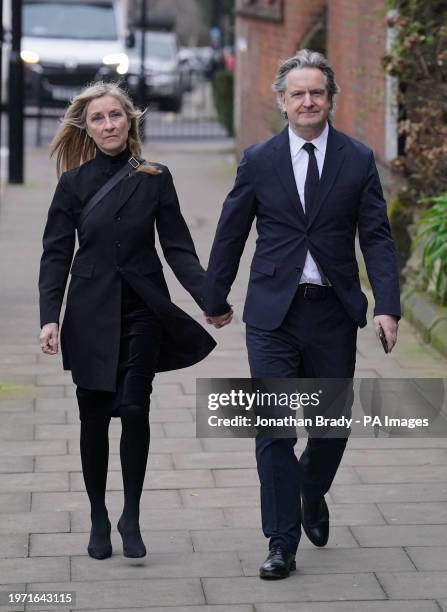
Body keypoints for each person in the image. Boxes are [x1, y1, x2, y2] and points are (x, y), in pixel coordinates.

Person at [203, 49, 400, 579]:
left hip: (333, 313)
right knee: (273, 430)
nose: (308, 101)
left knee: (330, 427)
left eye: (317, 93)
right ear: (282, 102)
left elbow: (377, 238)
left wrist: (387, 305)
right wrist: (214, 296)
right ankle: (280, 542)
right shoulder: (260, 159)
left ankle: (310, 492)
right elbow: (231, 230)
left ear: (329, 99)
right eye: (298, 94)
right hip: (273, 315)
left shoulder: (356, 159)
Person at [39, 81, 216, 560]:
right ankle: (98, 514)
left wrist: (210, 297)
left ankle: (131, 514)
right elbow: (56, 254)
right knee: (94, 418)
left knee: (135, 410)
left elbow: (178, 247)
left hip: (143, 307)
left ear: (130, 121)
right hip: (89, 312)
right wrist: (48, 318)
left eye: (115, 115)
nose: (109, 124)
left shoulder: (155, 177)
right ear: (87, 127)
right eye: (98, 118)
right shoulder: (72, 185)